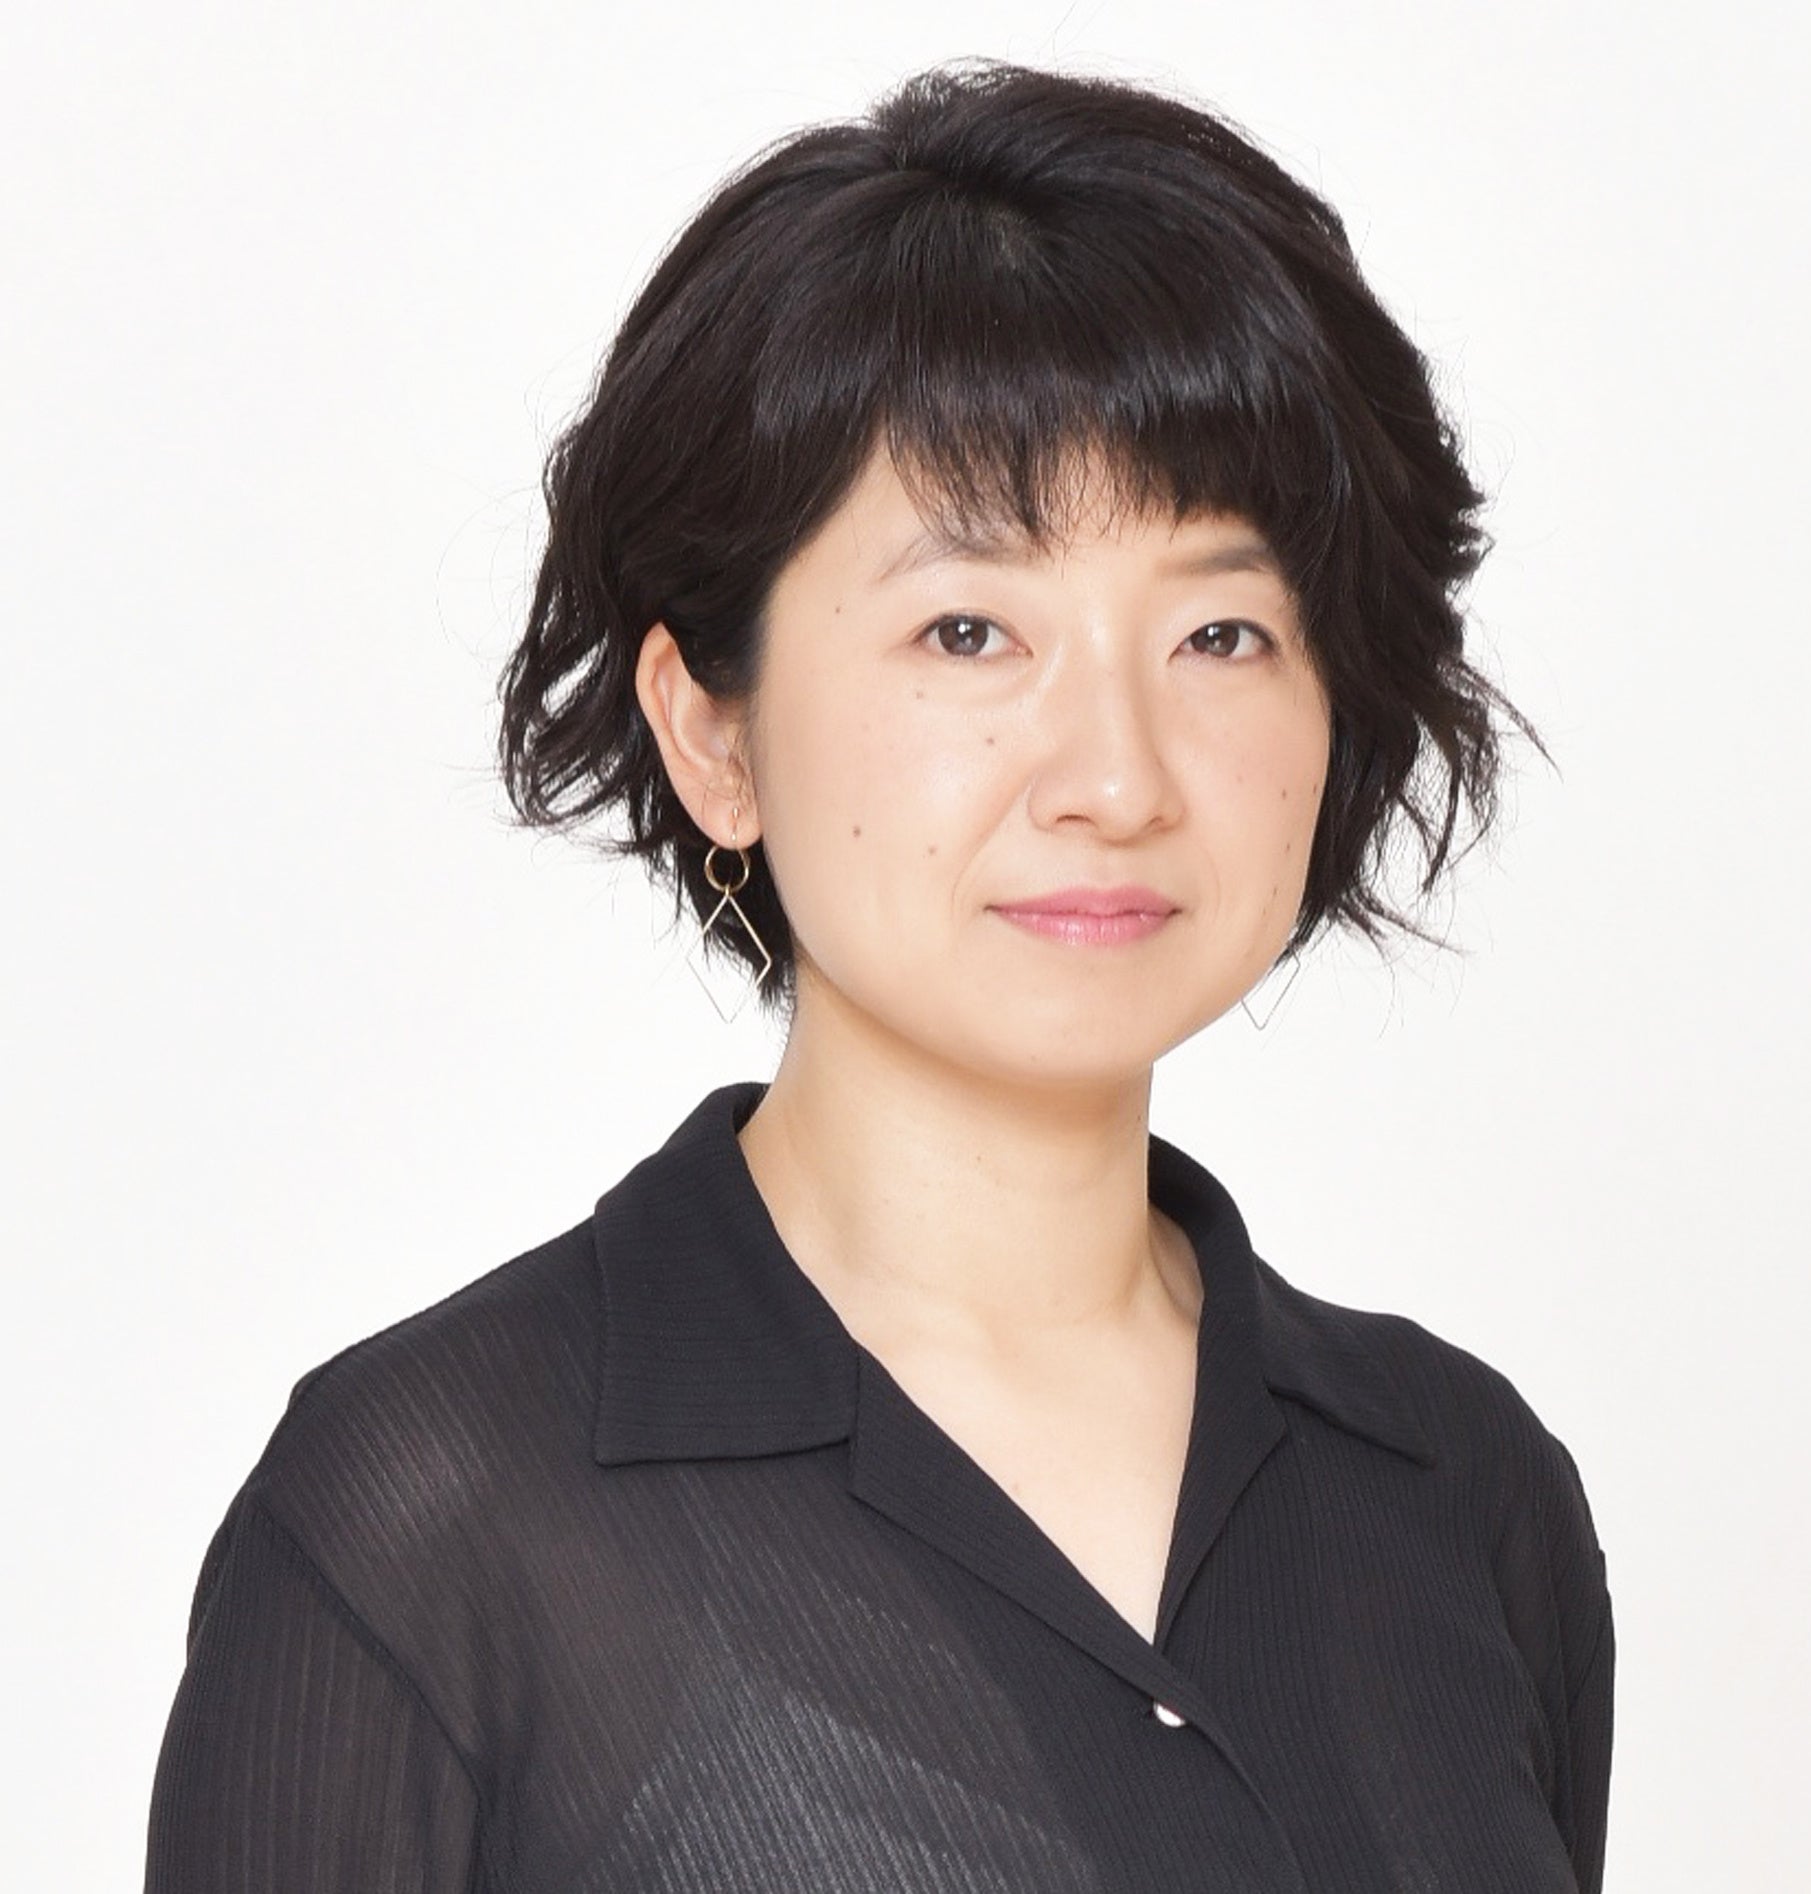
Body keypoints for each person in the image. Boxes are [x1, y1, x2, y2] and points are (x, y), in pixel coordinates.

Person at [144, 59, 1614, 1893]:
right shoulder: (430, 1521)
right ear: (712, 730)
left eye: (1222, 632)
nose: (1117, 776)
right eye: (969, 629)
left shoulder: (1461, 1489)